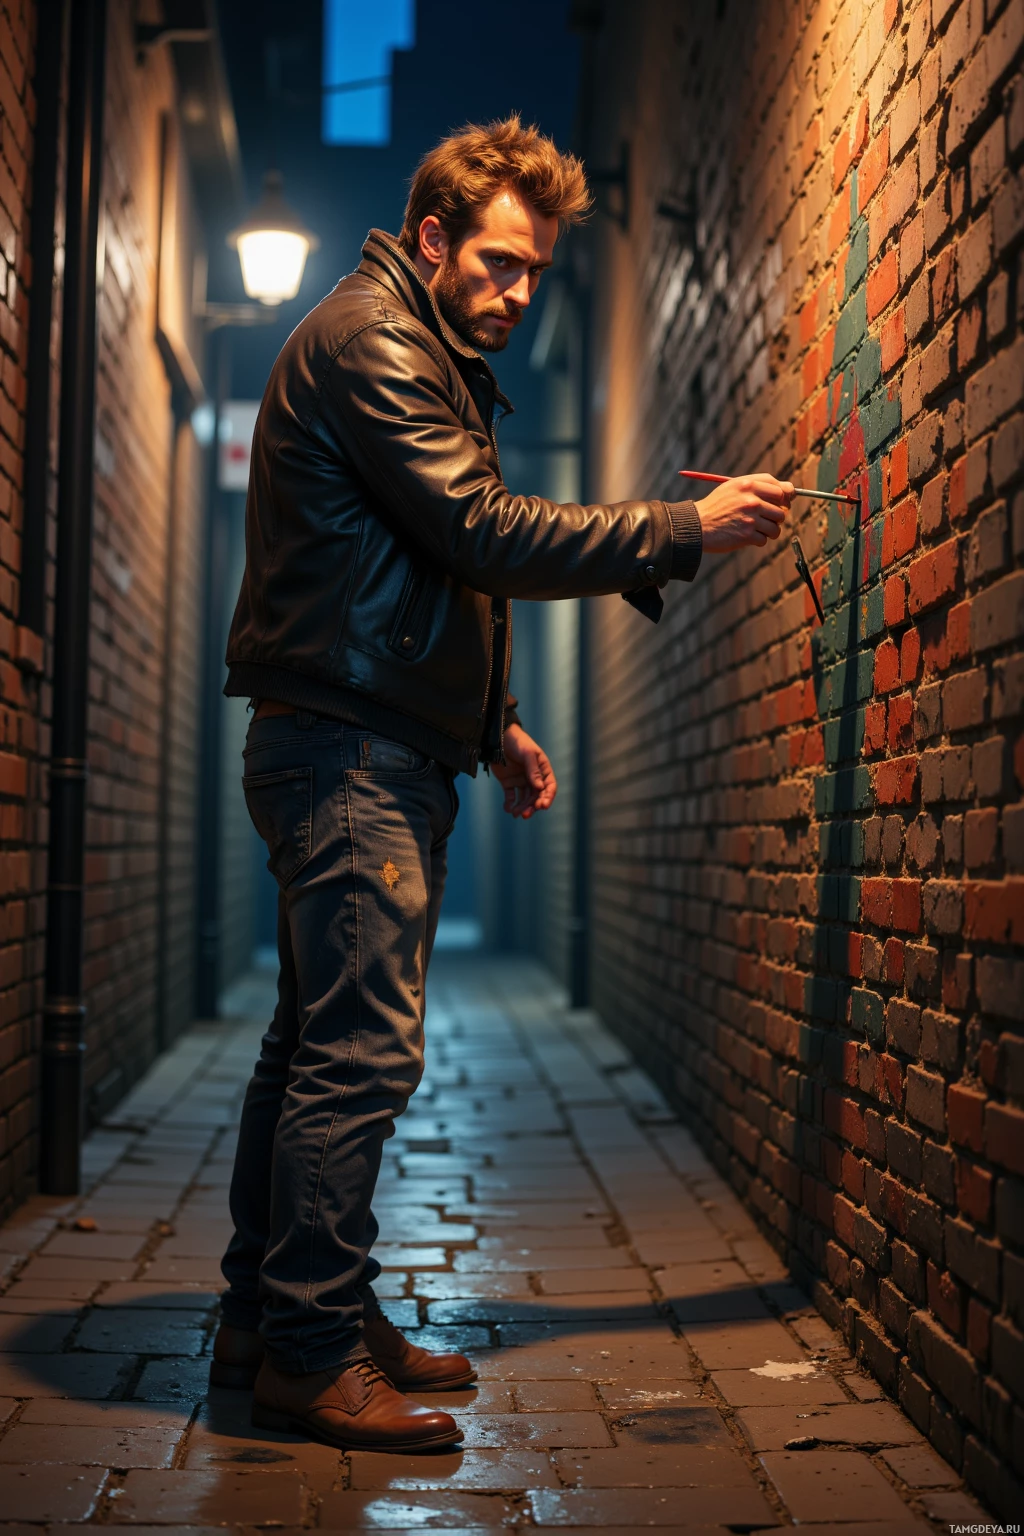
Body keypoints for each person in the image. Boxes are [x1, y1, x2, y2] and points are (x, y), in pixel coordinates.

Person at [212, 115, 794, 1453]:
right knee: (357, 1052)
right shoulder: (378, 343)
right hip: (348, 756)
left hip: (360, 738)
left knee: (312, 1043)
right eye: (500, 262)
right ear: (432, 240)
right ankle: (306, 1353)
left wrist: (497, 722)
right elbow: (479, 529)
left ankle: (282, 1313)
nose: (520, 293)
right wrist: (677, 526)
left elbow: (418, 563)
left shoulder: (407, 342)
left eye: (534, 273)